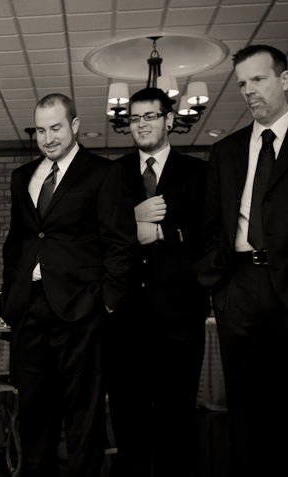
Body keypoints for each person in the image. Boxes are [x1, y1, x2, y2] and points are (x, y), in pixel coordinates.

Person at [0, 93, 135, 476]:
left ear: (74, 125)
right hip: (30, 310)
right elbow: (19, 241)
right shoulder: (22, 176)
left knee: (83, 414)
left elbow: (120, 243)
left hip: (82, 309)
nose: (48, 137)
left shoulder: (104, 173)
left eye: (56, 127)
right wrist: (10, 295)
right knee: (35, 413)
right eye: (40, 130)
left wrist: (107, 302)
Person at [194, 44, 288, 477]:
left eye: (258, 79)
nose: (249, 91)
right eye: (242, 83)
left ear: (284, 79)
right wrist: (219, 284)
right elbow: (212, 227)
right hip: (239, 290)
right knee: (245, 412)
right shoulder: (225, 152)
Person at [107, 88, 209, 477]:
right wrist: (132, 222)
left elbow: (210, 234)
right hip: (126, 315)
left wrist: (163, 233)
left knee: (177, 412)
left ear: (169, 120)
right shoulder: (112, 173)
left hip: (180, 315)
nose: (141, 124)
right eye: (134, 118)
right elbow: (96, 235)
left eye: (150, 116)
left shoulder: (198, 171)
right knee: (127, 411)